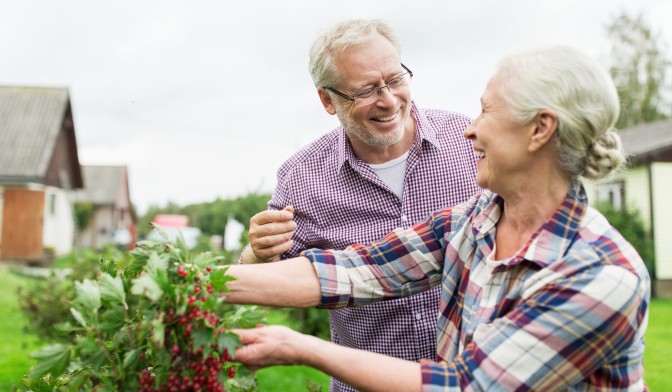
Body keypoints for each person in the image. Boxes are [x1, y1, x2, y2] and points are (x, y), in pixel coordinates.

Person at [225, 45, 651, 391]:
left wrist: (303, 348)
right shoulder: (476, 222)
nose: (471, 130)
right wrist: (194, 283)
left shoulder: (601, 273)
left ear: (539, 129)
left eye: (487, 112)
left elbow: (469, 386)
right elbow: (355, 270)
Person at [239, 19, 479, 391]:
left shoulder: (468, 144)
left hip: (476, 380)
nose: (388, 100)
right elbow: (275, 276)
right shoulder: (302, 178)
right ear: (327, 100)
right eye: (366, 90)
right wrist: (257, 254)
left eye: (396, 79)